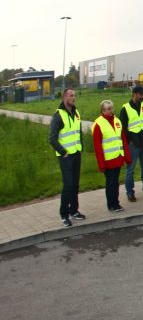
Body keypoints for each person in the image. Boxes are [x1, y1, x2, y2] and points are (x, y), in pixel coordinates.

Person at [49, 87, 85, 227]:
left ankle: (74, 210)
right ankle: (64, 214)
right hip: (66, 156)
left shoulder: (76, 113)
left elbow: (79, 132)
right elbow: (52, 138)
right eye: (70, 95)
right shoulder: (58, 115)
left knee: (75, 184)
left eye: (74, 95)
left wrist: (81, 146)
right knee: (68, 185)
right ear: (64, 97)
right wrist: (63, 152)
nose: (73, 98)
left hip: (76, 154)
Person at [92, 100, 131, 212]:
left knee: (116, 182)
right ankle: (111, 205)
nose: (110, 111)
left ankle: (116, 203)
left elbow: (123, 140)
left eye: (111, 108)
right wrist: (101, 164)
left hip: (118, 157)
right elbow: (97, 146)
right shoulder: (98, 124)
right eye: (108, 109)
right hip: (108, 160)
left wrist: (127, 157)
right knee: (110, 183)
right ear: (102, 110)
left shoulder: (117, 121)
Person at [119, 85, 143, 202]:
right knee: (130, 169)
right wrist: (130, 140)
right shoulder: (125, 109)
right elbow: (123, 128)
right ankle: (130, 192)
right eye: (140, 94)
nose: (142, 97)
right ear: (134, 94)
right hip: (133, 143)